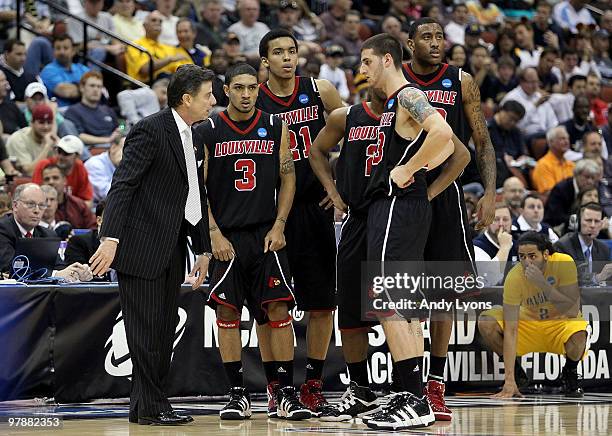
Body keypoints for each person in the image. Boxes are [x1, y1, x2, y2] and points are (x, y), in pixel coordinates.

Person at [89, 64, 215, 425]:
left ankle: (148, 405)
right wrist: (110, 238)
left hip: (173, 247)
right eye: (207, 95)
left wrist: (203, 249)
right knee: (144, 333)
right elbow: (123, 185)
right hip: (140, 248)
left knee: (161, 331)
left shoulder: (195, 133)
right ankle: (152, 406)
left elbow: (194, 194)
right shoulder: (149, 129)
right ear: (187, 98)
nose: (212, 102)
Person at [195, 63, 309, 421]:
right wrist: (213, 232)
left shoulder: (276, 125)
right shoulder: (208, 130)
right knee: (227, 312)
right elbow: (199, 188)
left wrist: (280, 224)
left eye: (251, 88)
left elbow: (288, 177)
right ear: (225, 90)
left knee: (278, 310)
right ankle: (237, 393)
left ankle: (285, 393)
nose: (246, 94)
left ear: (258, 89)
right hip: (226, 236)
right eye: (239, 88)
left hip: (265, 234)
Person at [357, 33, 459, 430]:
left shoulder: (407, 96)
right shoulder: (396, 103)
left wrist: (408, 169)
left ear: (387, 59)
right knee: (405, 306)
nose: (362, 70)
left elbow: (445, 137)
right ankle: (410, 392)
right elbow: (445, 148)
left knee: (387, 300)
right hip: (403, 208)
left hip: (398, 206)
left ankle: (415, 400)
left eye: (367, 62)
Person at [402, 17, 497, 421]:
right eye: (427, 36)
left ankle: (435, 383)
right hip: (402, 192)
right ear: (409, 44)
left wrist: (490, 192)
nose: (437, 42)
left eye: (440, 36)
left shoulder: (460, 81)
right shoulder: (394, 77)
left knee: (442, 292)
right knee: (400, 289)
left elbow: (482, 140)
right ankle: (405, 383)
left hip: (445, 190)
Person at [255, 29, 344, 418]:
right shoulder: (253, 97)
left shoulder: (320, 89)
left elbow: (356, 134)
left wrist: (337, 183)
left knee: (322, 302)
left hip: (314, 206)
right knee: (271, 304)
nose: (288, 58)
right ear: (265, 61)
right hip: (271, 212)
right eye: (278, 52)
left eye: (292, 51)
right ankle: (278, 386)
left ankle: (312, 384)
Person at [308, 90, 387, 421]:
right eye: (365, 67)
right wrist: (331, 189)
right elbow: (316, 150)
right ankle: (361, 389)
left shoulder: (412, 112)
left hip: (393, 215)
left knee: (399, 312)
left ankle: (410, 391)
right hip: (357, 217)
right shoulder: (346, 115)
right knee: (352, 314)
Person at [478, 231, 588, 398]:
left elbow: (572, 310)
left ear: (545, 254)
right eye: (522, 257)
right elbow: (511, 329)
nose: (526, 262)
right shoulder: (515, 276)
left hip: (559, 322)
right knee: (487, 321)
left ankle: (570, 371)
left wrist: (543, 284)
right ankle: (516, 375)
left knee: (579, 331)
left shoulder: (564, 262)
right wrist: (509, 380)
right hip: (529, 324)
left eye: (532, 256)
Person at [0, 183, 93, 282]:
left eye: (41, 205)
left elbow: (59, 266)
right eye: (31, 204)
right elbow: (11, 269)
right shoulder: (2, 229)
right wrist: (56, 274)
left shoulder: (48, 234)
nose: (37, 210)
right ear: (15, 206)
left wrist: (75, 273)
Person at [126, 11, 192, 83]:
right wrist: (169, 59)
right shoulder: (135, 45)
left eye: (160, 21)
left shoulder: (168, 48)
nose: (157, 23)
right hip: (144, 85)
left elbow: (185, 70)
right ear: (144, 25)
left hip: (169, 83)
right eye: (153, 20)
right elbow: (144, 70)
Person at [554, 202, 611, 283]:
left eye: (597, 221)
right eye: (588, 220)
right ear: (577, 223)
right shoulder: (562, 246)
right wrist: (596, 278)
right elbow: (566, 280)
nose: (593, 225)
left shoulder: (604, 249)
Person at [32, 135, 94, 206]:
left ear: (77, 156)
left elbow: (88, 202)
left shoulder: (80, 167)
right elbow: (34, 198)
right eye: (59, 151)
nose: (60, 156)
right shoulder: (43, 165)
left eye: (66, 153)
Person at [64, 71, 122, 148]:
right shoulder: (73, 111)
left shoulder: (108, 110)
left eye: (99, 86)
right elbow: (79, 136)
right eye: (92, 86)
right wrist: (107, 140)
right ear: (82, 88)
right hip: (92, 149)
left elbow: (120, 127)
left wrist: (121, 130)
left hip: (114, 148)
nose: (96, 89)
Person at [39, 34, 90, 107]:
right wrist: (87, 88)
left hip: (84, 110)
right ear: (53, 51)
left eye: (65, 48)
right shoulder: (48, 70)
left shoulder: (83, 69)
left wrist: (77, 88)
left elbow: (97, 87)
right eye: (58, 48)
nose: (61, 52)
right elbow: (66, 92)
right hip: (61, 113)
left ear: (73, 51)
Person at [473, 204, 518, 287]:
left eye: (505, 219)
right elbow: (488, 280)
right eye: (496, 219)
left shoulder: (518, 245)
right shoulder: (477, 247)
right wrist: (504, 248)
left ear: (511, 222)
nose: (501, 224)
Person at [5, 103, 56, 176]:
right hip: (19, 181)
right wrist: (47, 147)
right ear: (31, 123)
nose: (46, 127)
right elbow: (29, 173)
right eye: (41, 122)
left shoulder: (52, 139)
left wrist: (57, 146)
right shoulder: (19, 139)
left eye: (49, 122)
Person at [41, 164, 96, 230]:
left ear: (64, 181)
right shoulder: (38, 208)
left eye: (55, 178)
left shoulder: (79, 205)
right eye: (47, 179)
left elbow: (93, 228)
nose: (51, 182)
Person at [531, 126, 574, 194]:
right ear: (551, 142)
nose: (566, 142)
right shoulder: (543, 165)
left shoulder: (571, 164)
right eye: (562, 139)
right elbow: (549, 193)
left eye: (567, 138)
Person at [85, 137, 124, 203]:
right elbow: (108, 194)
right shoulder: (94, 164)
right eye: (125, 150)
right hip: (96, 208)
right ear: (113, 148)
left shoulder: (123, 166)